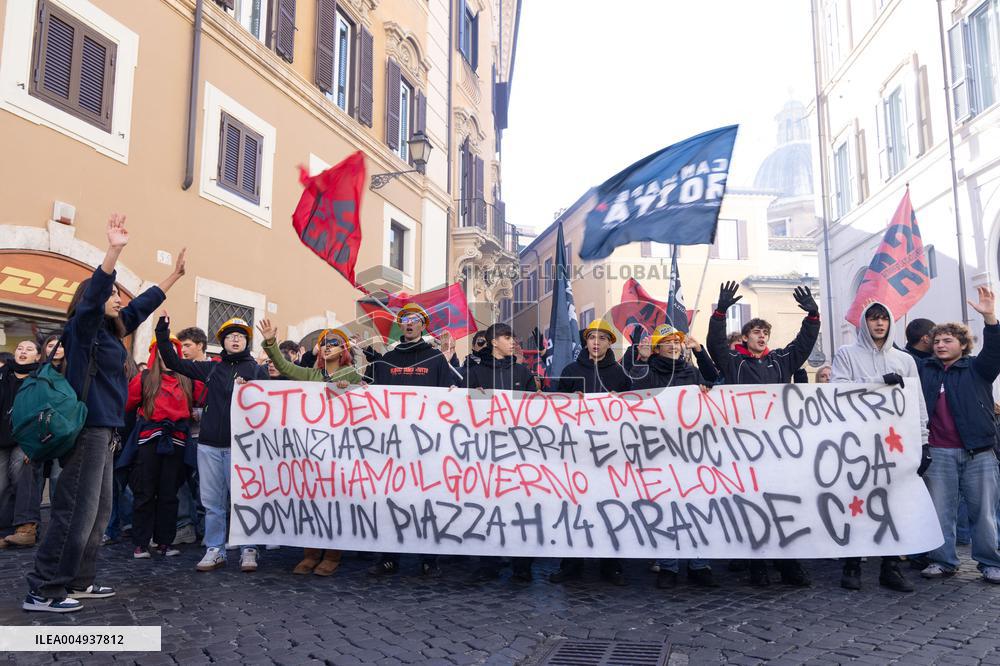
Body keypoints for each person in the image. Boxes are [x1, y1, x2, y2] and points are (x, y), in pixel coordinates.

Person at [25, 214, 186, 613]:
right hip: (87, 430)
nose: (119, 297)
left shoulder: (114, 332)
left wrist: (174, 277)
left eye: (119, 293)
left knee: (98, 512)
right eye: (113, 293)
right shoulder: (84, 330)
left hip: (107, 430)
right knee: (74, 511)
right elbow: (96, 297)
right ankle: (44, 588)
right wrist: (113, 251)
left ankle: (79, 580)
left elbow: (142, 305)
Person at [707, 281, 820, 587]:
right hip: (744, 448)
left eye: (765, 333)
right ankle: (757, 564)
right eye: (756, 332)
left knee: (783, 504)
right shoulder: (734, 363)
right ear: (745, 337)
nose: (761, 336)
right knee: (753, 506)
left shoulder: (780, 360)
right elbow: (715, 345)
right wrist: (719, 313)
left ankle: (788, 564)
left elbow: (803, 346)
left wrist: (813, 317)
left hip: (778, 446)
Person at [156, 314, 269, 573]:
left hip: (242, 448)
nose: (236, 339)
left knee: (243, 500)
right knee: (212, 503)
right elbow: (173, 361)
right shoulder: (211, 368)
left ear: (247, 342)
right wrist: (163, 333)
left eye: (241, 335)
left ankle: (248, 549)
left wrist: (251, 389)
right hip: (208, 445)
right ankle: (215, 549)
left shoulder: (257, 371)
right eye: (231, 335)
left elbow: (271, 405)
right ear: (223, 342)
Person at [830, 301, 925, 592]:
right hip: (857, 441)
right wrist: (877, 382)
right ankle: (853, 564)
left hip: (893, 442)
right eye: (873, 318)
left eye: (884, 318)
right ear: (864, 322)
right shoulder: (846, 354)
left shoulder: (904, 359)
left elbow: (916, 401)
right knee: (856, 502)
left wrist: (924, 441)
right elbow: (838, 390)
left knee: (893, 504)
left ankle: (890, 567)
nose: (879, 323)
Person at [259, 319, 362, 576]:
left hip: (340, 450)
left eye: (334, 343)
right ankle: (311, 553)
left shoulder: (352, 374)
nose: (328, 347)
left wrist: (348, 387)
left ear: (344, 350)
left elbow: (364, 398)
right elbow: (283, 366)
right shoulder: (309, 375)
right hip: (311, 450)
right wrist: (271, 342)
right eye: (324, 343)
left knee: (335, 503)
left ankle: (333, 555)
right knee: (311, 501)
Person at [367, 303, 461, 577]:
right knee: (391, 500)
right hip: (392, 443)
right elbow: (371, 394)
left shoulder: (435, 359)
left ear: (423, 325)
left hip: (427, 444)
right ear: (401, 326)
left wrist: (453, 393)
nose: (409, 323)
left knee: (427, 501)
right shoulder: (386, 359)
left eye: (414, 319)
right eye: (404, 319)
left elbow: (450, 393)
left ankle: (429, 558)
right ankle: (388, 557)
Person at [917, 287, 1000, 584]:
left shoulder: (978, 368)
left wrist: (990, 316)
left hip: (979, 451)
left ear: (963, 344)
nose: (940, 344)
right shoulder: (925, 370)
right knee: (941, 511)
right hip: (938, 451)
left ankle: (990, 563)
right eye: (936, 340)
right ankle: (943, 561)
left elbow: (995, 349)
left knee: (984, 513)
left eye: (947, 340)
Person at [631, 325, 720, 589]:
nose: (673, 346)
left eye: (677, 342)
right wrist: (642, 359)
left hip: (692, 451)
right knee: (666, 509)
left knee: (696, 508)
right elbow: (634, 392)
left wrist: (700, 352)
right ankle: (668, 566)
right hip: (659, 451)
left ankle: (699, 565)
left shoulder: (692, 372)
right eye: (667, 342)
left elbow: (715, 379)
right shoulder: (648, 371)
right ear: (657, 348)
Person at [550, 319, 632, 586]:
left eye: (602, 338)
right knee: (575, 510)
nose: (596, 342)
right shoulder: (571, 369)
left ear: (610, 343)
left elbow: (632, 414)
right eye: (592, 337)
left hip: (611, 455)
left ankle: (612, 566)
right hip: (577, 453)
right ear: (585, 342)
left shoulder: (621, 375)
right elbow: (555, 408)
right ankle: (571, 565)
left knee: (611, 509)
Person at [464, 323, 538, 584]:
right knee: (487, 510)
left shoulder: (522, 372)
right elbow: (460, 410)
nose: (513, 341)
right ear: (493, 341)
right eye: (508, 337)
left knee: (520, 511)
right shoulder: (474, 373)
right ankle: (488, 565)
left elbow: (537, 410)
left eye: (513, 337)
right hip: (486, 454)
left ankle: (522, 566)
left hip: (518, 453)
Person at [124, 338, 203, 559]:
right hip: (149, 441)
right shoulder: (145, 378)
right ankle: (140, 543)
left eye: (172, 351)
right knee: (145, 492)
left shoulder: (188, 379)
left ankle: (164, 542)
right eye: (163, 351)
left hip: (177, 442)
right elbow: (127, 404)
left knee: (169, 494)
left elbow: (206, 396)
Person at [0, 340, 43, 549]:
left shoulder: (40, 379)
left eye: (29, 349)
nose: (23, 352)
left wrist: (35, 443)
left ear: (37, 356)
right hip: (2, 438)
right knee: (1, 484)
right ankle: (5, 529)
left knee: (20, 474)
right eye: (19, 348)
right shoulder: (3, 375)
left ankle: (27, 528)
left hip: (26, 437)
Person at [172, 326, 210, 546]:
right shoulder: (179, 370)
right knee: (181, 482)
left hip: (203, 435)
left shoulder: (214, 368)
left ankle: (207, 529)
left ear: (201, 346)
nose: (183, 350)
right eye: (181, 346)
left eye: (187, 345)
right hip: (180, 433)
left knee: (203, 484)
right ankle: (185, 526)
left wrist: (202, 412)